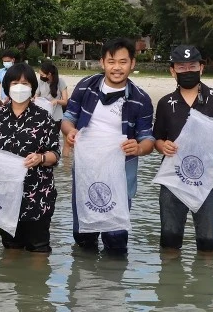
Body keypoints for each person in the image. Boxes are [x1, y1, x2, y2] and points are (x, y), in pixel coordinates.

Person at [61, 37, 156, 255]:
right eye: (111, 61)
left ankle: (114, 281)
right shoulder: (86, 86)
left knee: (116, 239)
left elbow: (148, 139)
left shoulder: (141, 99)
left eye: (123, 62)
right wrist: (70, 132)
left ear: (132, 64)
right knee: (84, 236)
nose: (117, 67)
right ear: (102, 63)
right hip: (87, 171)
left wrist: (139, 148)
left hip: (121, 174)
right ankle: (84, 283)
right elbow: (67, 118)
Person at [152, 44, 213, 253]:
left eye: (192, 66)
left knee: (208, 243)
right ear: (172, 71)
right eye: (181, 68)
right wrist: (161, 146)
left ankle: (205, 282)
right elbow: (157, 139)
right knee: (170, 241)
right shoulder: (166, 103)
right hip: (173, 182)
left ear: (202, 67)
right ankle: (170, 281)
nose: (187, 72)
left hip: (208, 183)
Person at [0, 62, 61, 253]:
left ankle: (36, 282)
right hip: (6, 194)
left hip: (38, 194)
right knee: (10, 248)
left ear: (32, 87)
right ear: (7, 86)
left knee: (39, 248)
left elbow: (55, 154)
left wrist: (40, 158)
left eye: (25, 83)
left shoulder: (44, 117)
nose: (20, 87)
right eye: (15, 83)